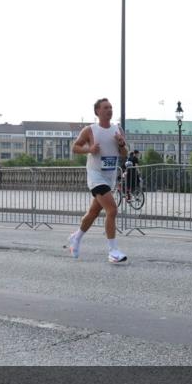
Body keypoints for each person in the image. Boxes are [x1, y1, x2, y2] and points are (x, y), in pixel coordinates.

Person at [64, 98, 128, 263]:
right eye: (106, 108)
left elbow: (124, 154)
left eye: (111, 107)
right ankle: (113, 251)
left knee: (93, 212)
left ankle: (76, 237)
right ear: (97, 111)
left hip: (110, 176)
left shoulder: (117, 129)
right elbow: (75, 147)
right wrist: (89, 149)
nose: (109, 110)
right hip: (95, 175)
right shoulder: (90, 130)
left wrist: (121, 144)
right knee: (112, 210)